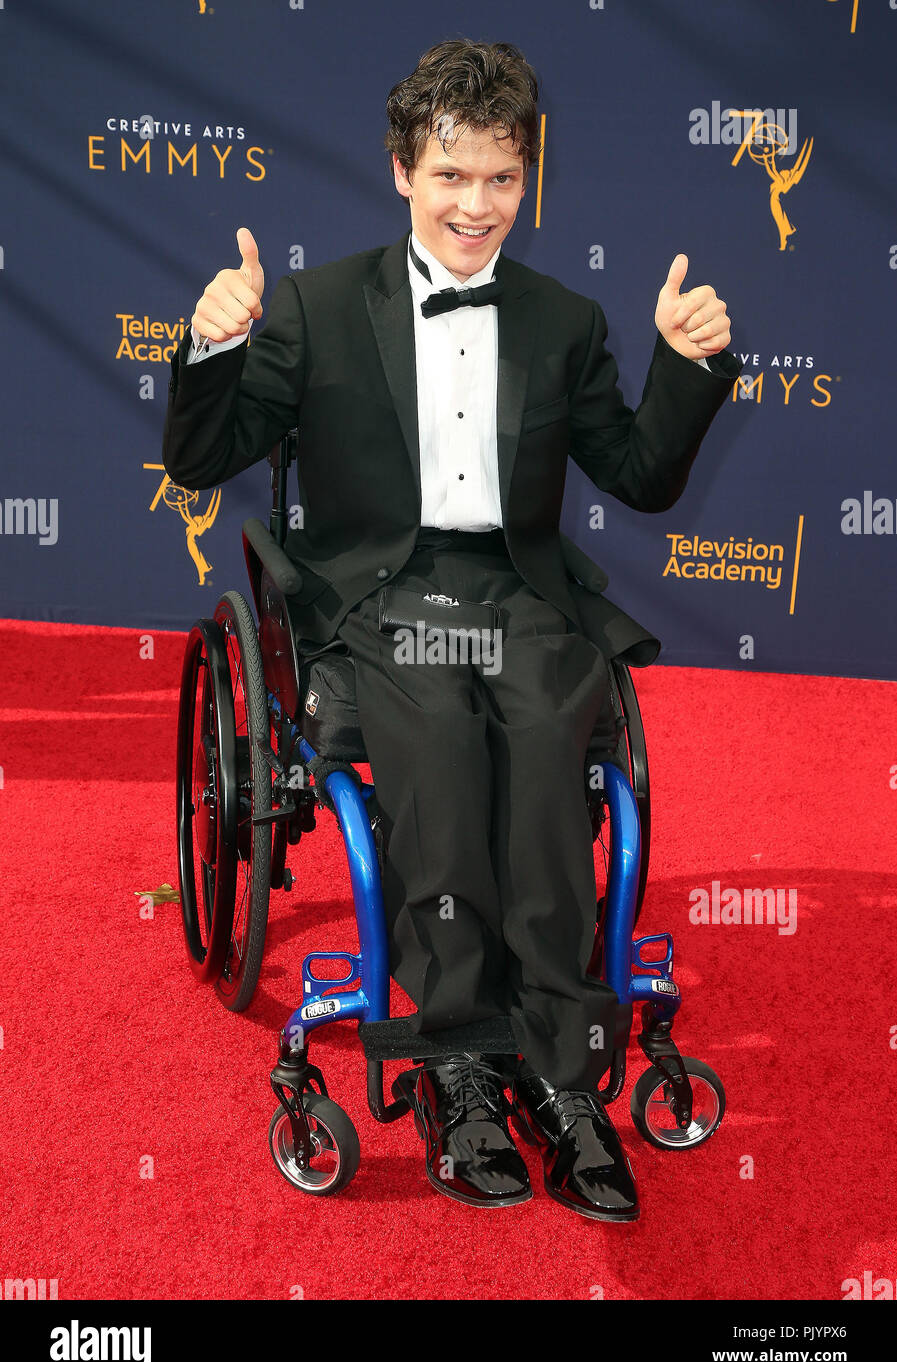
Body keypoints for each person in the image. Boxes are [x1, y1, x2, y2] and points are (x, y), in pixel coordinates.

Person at [163, 38, 737, 1222]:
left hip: (518, 592)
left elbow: (639, 476)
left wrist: (687, 367)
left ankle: (568, 1080)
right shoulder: (321, 308)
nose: (478, 206)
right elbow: (199, 457)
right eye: (451, 177)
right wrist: (216, 342)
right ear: (400, 172)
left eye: (502, 180)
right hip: (379, 592)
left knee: (540, 751)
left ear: (527, 181)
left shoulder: (562, 319)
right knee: (431, 739)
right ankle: (459, 1065)